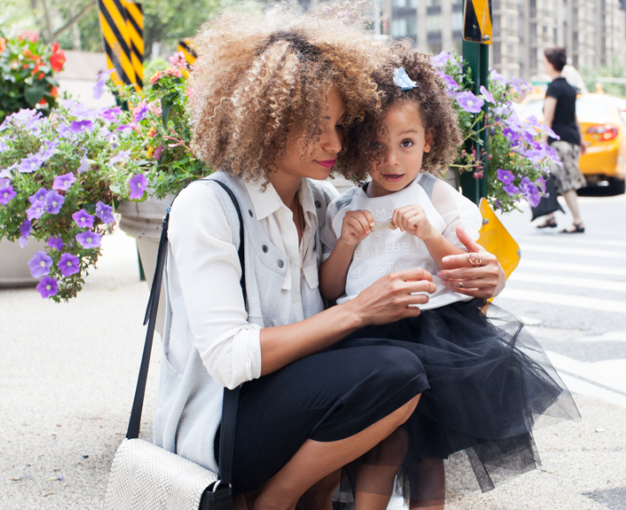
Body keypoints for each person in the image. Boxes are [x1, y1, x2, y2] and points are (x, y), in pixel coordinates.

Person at [151, 5, 506, 510]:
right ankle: (274, 500)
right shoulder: (207, 206)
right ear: (266, 120)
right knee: (395, 371)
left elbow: (441, 256)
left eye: (340, 125)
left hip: (298, 400)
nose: (335, 143)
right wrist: (359, 311)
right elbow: (231, 360)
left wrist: (489, 279)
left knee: (404, 370)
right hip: (224, 426)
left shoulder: (319, 203)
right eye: (318, 126)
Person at [321, 46, 580, 509]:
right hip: (366, 339)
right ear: (358, 145)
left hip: (436, 336)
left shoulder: (441, 200)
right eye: (376, 145)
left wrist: (430, 233)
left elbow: (465, 273)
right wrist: (344, 244)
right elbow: (332, 289)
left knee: (428, 454)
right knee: (381, 446)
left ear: (429, 139)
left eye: (406, 143)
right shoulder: (345, 208)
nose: (391, 159)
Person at [538, 47, 588, 233]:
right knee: (547, 177)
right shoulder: (568, 87)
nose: (543, 65)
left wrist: (543, 142)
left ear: (551, 64)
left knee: (565, 181)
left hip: (560, 143)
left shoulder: (554, 87)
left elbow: (548, 118)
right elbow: (575, 117)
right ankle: (549, 217)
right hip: (572, 140)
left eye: (544, 62)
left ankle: (578, 221)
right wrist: (581, 141)